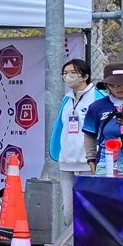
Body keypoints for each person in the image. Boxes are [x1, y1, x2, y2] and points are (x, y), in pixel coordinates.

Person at [51, 58, 105, 218]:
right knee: (68, 211)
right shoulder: (67, 98)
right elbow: (61, 127)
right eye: (65, 73)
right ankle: (70, 235)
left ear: (85, 76)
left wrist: (96, 158)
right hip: (66, 161)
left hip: (89, 162)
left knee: (89, 209)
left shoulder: (99, 97)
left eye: (73, 72)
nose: (68, 76)